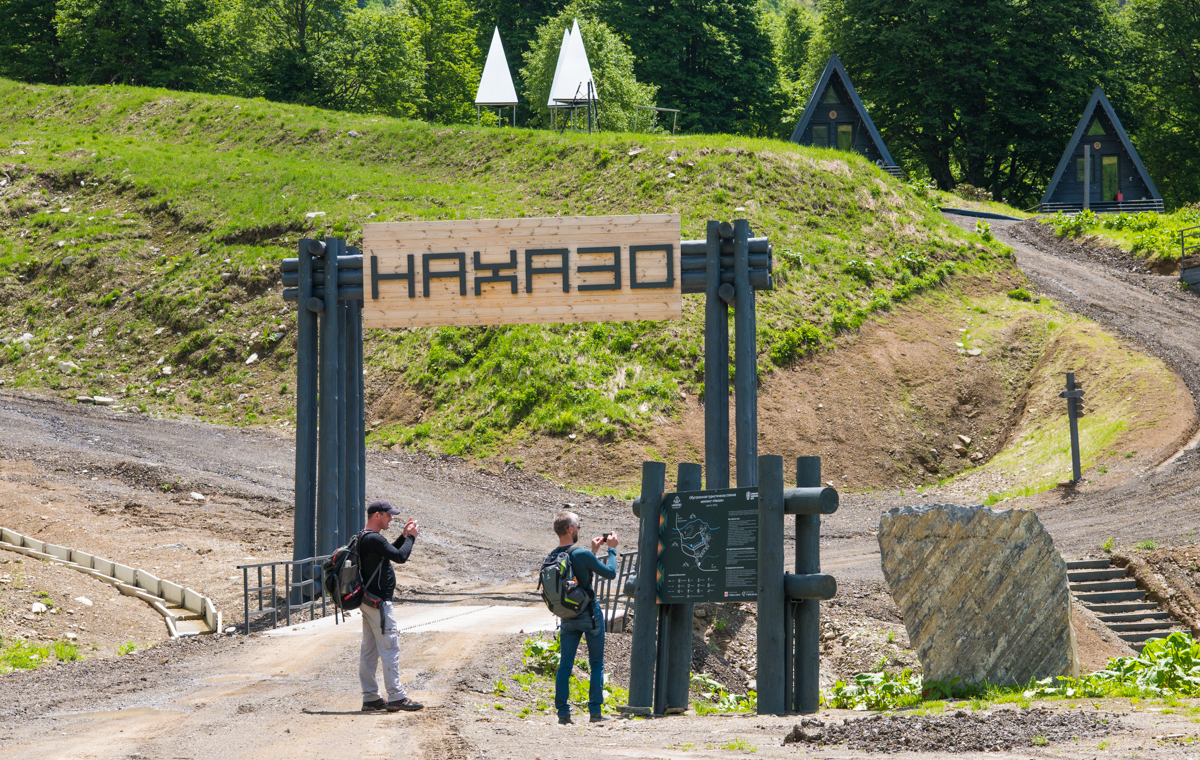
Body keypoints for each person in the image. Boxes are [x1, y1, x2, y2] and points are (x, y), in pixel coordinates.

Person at [550, 510, 618, 725]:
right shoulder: (580, 553)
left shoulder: (553, 555)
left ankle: (563, 713)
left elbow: (577, 574)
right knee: (596, 663)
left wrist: (594, 551)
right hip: (590, 614)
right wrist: (612, 550)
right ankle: (595, 713)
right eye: (578, 526)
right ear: (570, 529)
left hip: (567, 616)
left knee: (565, 665)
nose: (579, 529)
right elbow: (610, 573)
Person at [358, 500, 423, 713]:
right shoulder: (374, 538)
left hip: (368, 601)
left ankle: (371, 698)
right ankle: (396, 696)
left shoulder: (364, 537)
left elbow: (389, 552)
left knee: (370, 650)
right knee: (390, 647)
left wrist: (403, 537)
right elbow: (400, 556)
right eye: (388, 515)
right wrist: (412, 537)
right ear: (377, 515)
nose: (391, 519)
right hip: (379, 603)